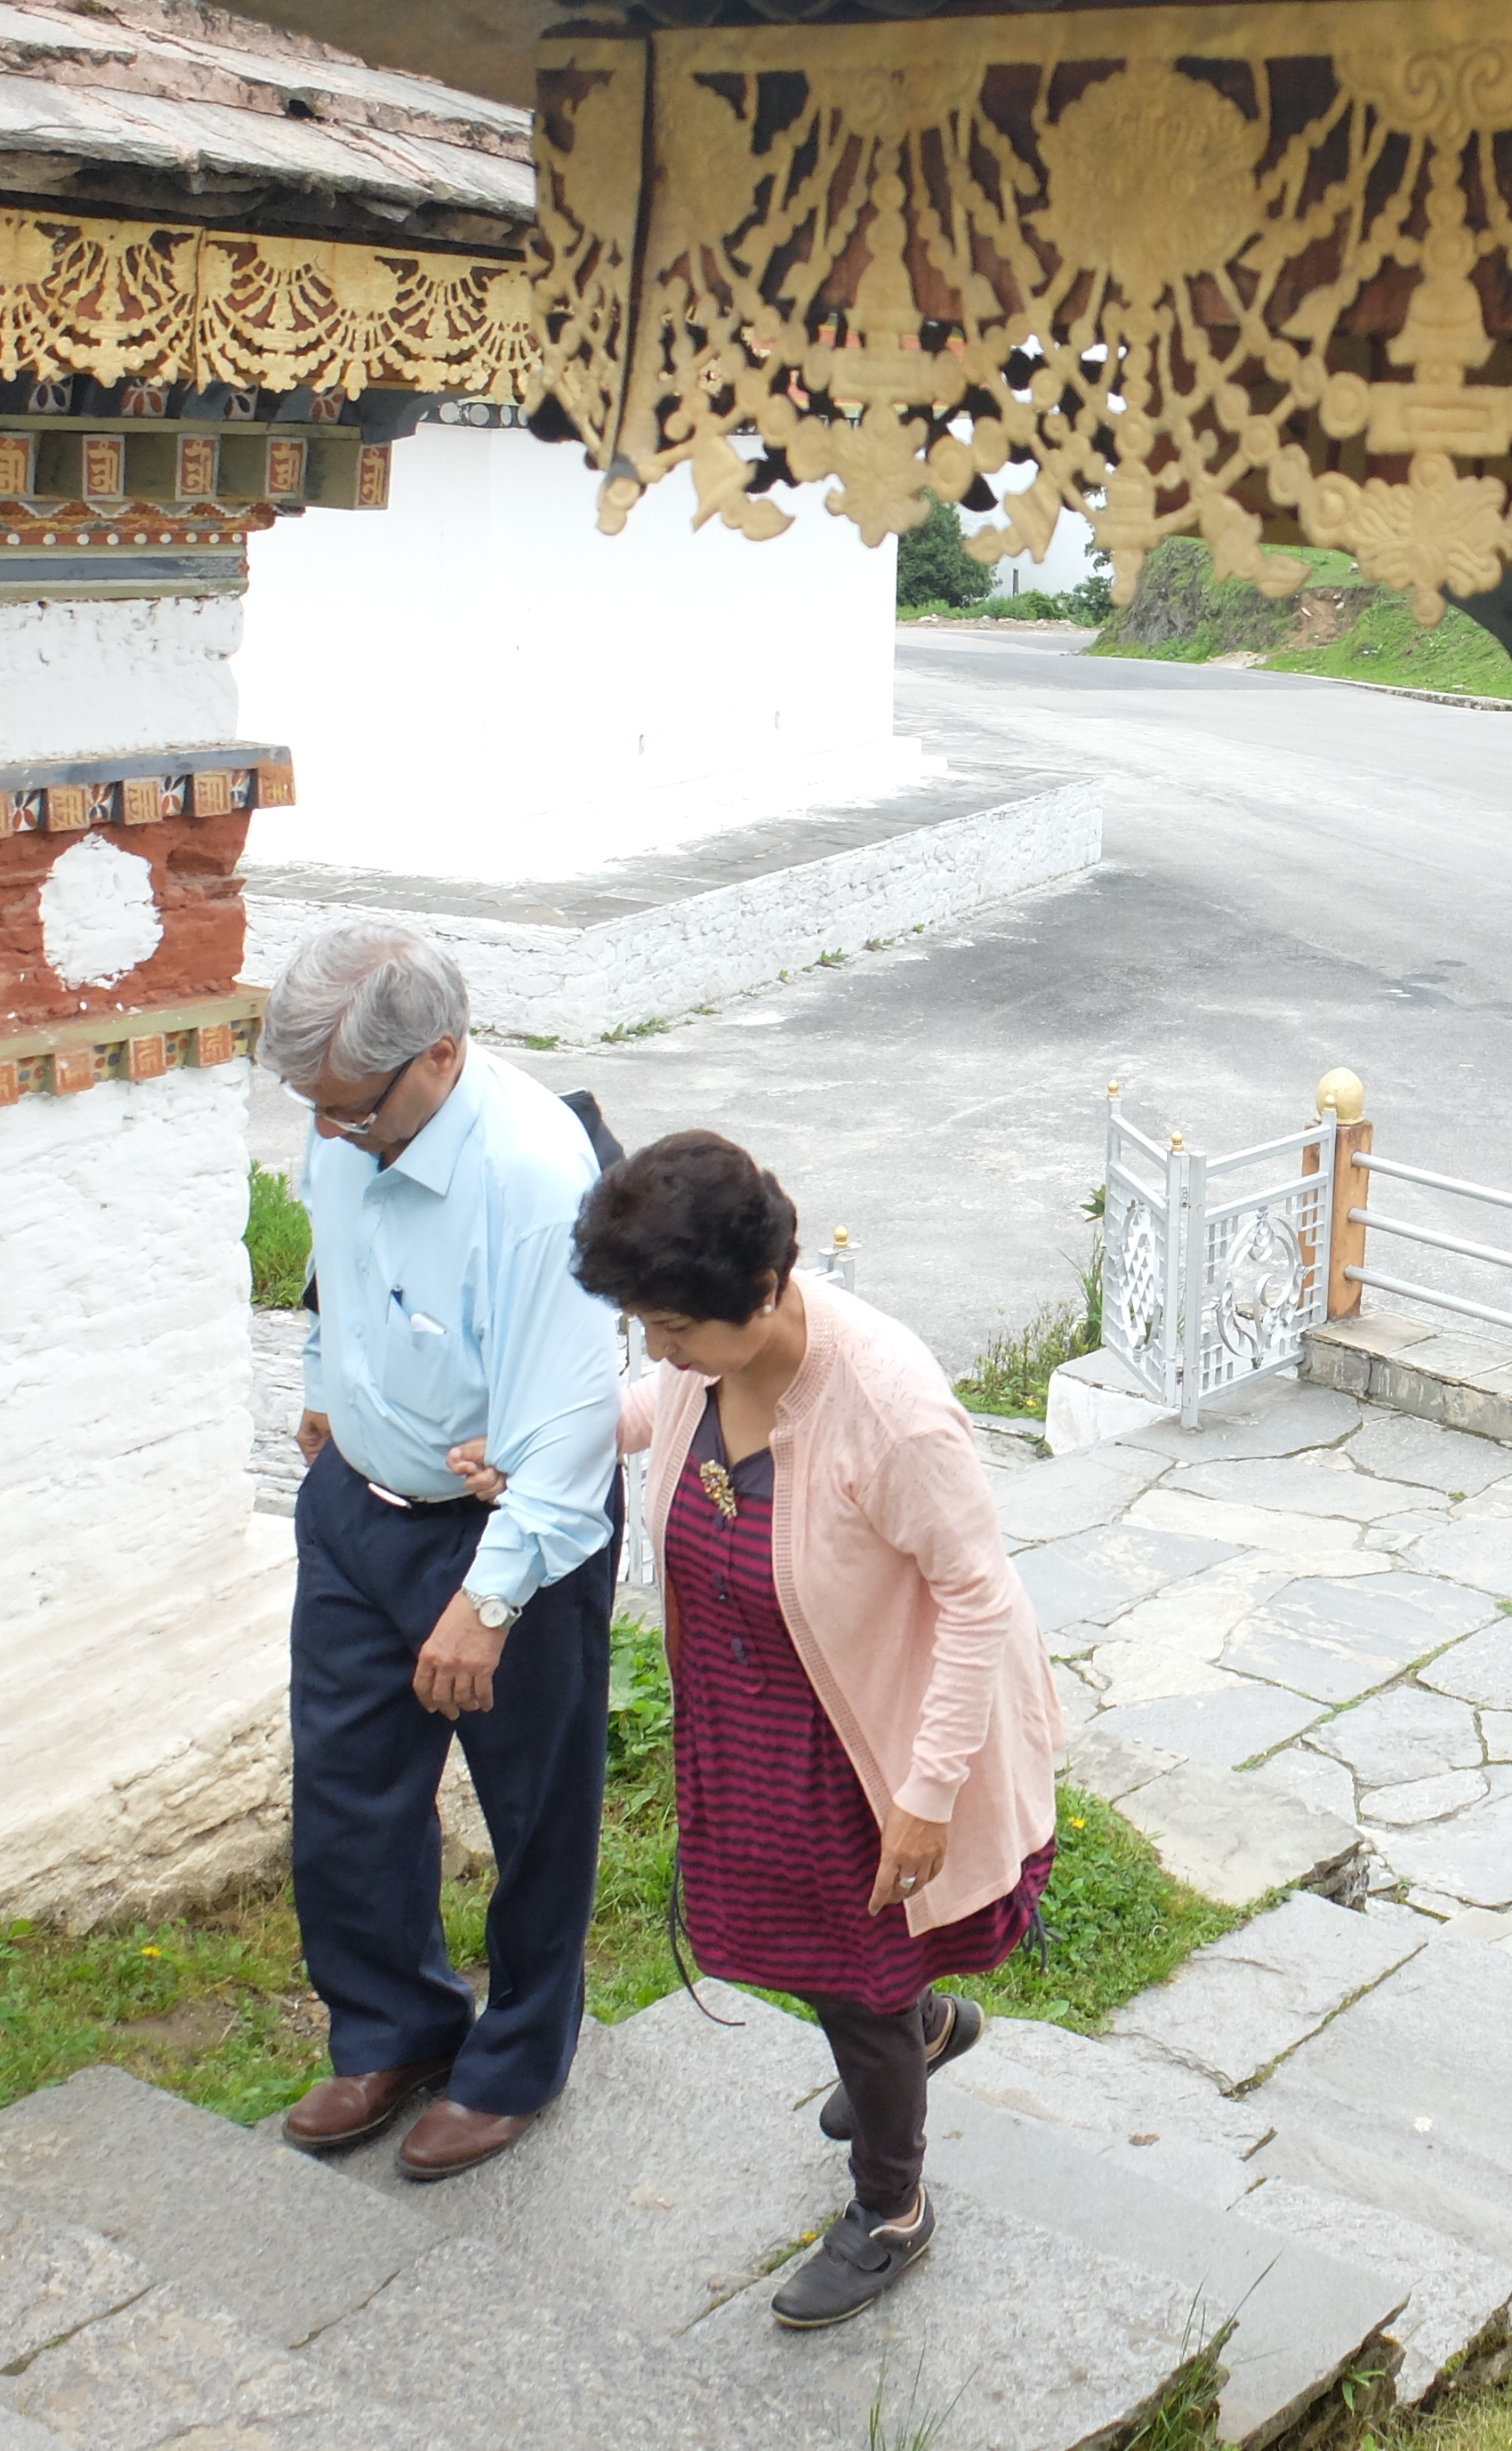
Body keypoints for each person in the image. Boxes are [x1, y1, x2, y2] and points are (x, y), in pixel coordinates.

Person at [473, 1130, 1058, 2327]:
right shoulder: (705, 1359)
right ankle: (923, 2028)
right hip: (751, 1719)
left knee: (857, 1982)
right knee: (804, 1952)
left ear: (763, 1288)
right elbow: (655, 1408)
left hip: (873, 1744)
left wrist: (928, 1794)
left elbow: (977, 1596)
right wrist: (539, 1449)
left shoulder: (891, 1410)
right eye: (645, 1326)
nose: (660, 1350)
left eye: (673, 1327)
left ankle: (892, 2206)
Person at [265, 925, 626, 2181]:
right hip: (356, 1510)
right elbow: (341, 1264)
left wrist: (492, 1600)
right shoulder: (350, 1122)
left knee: (535, 1812)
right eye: (313, 1110)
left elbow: (573, 1420)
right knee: (346, 1791)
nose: (330, 1135)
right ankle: (393, 2028)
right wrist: (326, 1386)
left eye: (352, 1111)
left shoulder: (533, 1176)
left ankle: (516, 2060)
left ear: (441, 1055)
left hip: (505, 1535)